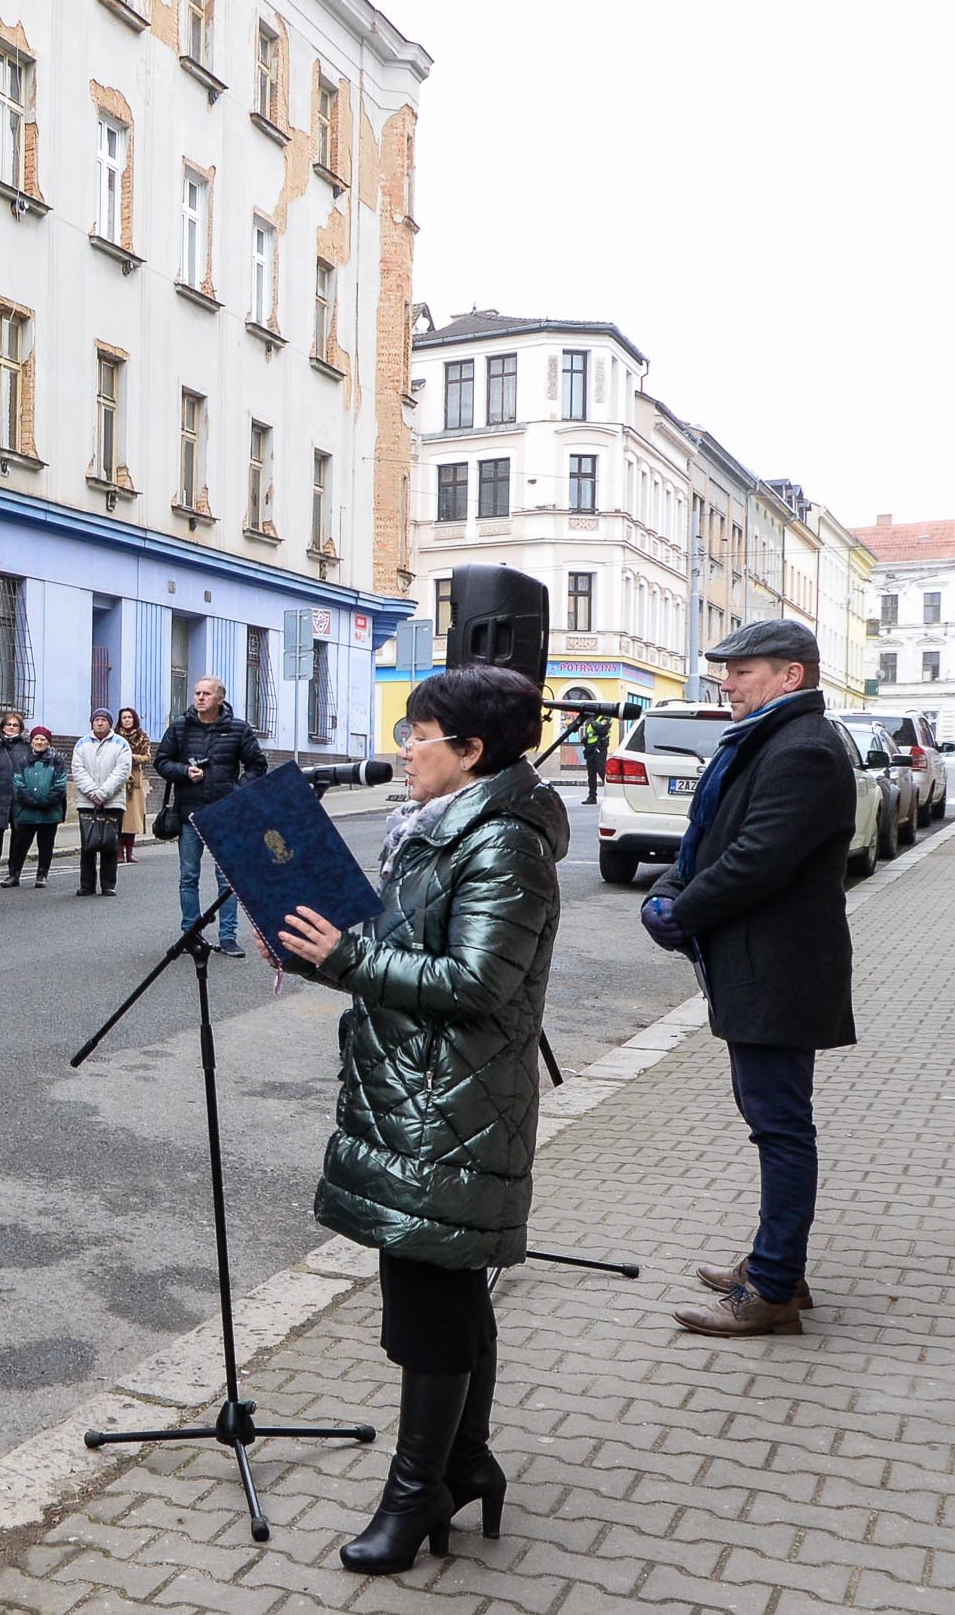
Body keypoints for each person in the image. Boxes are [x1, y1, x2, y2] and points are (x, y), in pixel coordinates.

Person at [276, 663, 563, 1574]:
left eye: (418, 735)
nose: (403, 750)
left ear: (470, 751)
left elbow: (478, 982)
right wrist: (319, 950)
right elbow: (403, 950)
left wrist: (347, 959)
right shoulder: (441, 825)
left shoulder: (503, 843)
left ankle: (415, 1494)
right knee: (449, 1289)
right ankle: (465, 1463)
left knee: (430, 1300)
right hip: (422, 1091)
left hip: (455, 1102)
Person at [644, 620, 854, 1339]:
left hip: (780, 971)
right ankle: (778, 1266)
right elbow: (706, 840)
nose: (726, 683)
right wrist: (666, 891)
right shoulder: (767, 739)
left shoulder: (803, 749)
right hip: (762, 967)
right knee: (772, 1120)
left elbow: (756, 859)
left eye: (742, 671)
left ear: (791, 675)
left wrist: (681, 911)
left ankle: (771, 1288)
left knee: (780, 1125)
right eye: (726, 670)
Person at [154, 678, 267, 956]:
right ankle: (191, 934)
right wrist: (184, 772)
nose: (200, 698)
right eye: (197, 693)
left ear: (219, 699)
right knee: (188, 876)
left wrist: (235, 792)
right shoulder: (180, 727)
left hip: (225, 815)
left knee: (227, 879)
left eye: (206, 693)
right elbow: (162, 761)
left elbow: (257, 765)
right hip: (190, 814)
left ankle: (228, 936)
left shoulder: (237, 728)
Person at [70, 708, 131, 897]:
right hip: (87, 802)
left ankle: (108, 884)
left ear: (110, 723)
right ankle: (87, 885)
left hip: (112, 801)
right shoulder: (82, 744)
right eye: (96, 719)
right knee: (88, 844)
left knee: (110, 843)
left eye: (104, 720)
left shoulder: (121, 744)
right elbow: (77, 770)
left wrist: (104, 792)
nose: (100, 723)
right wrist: (92, 792)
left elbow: (122, 771)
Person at [5, 727, 69, 887]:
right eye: (36, 739)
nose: (39, 742)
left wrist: (47, 801)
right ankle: (14, 875)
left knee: (46, 845)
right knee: (20, 845)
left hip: (50, 812)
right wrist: (29, 801)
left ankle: (42, 874)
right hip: (26, 812)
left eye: (43, 739)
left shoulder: (57, 760)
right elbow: (18, 783)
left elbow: (60, 784)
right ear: (31, 741)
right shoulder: (23, 760)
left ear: (49, 742)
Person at [0, 712, 30, 882]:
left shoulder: (26, 746)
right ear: (2, 727)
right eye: (8, 724)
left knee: (18, 832)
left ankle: (13, 866)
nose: (11, 727)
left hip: (19, 795)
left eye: (15, 725)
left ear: (20, 728)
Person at [116, 705, 152, 866]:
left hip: (134, 781)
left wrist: (131, 757)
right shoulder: (114, 737)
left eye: (129, 717)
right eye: (124, 718)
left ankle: (129, 851)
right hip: (118, 779)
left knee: (132, 819)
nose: (127, 720)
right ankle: (119, 851)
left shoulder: (142, 737)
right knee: (119, 819)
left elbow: (147, 757)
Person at [578, 712, 611, 804]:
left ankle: (611, 795)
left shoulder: (605, 718)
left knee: (601, 771)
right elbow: (591, 734)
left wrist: (592, 722)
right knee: (591, 774)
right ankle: (592, 797)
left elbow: (600, 728)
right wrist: (585, 739)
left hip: (600, 748)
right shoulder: (593, 719)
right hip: (591, 749)